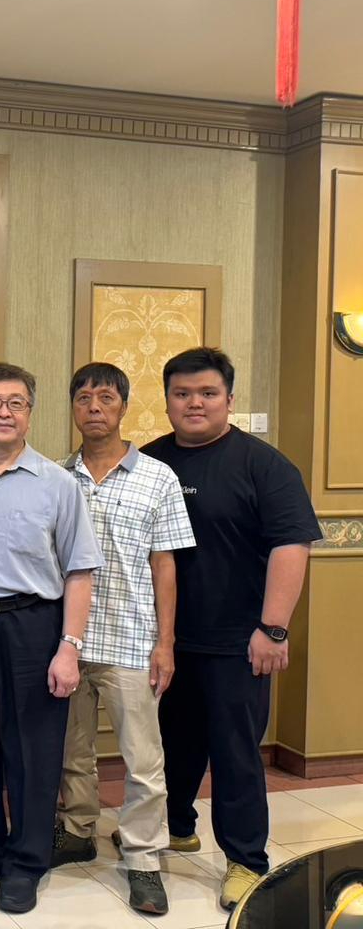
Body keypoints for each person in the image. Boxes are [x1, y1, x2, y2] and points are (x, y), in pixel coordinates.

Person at [142, 347, 320, 910]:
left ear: (229, 400)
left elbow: (291, 545)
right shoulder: (148, 462)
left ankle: (247, 860)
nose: (194, 403)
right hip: (165, 640)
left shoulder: (263, 465)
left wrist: (273, 629)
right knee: (172, 743)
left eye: (207, 393)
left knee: (236, 753)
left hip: (238, 642)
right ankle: (176, 825)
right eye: (182, 394)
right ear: (168, 400)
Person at [0, 361, 103, 915]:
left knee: (34, 750)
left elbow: (80, 571)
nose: (4, 412)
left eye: (15, 402)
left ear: (30, 412)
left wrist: (69, 647)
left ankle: (27, 860)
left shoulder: (59, 484)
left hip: (35, 625)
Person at [52, 362, 195, 915]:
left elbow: (166, 566)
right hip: (70, 643)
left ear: (124, 407)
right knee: (73, 750)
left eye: (105, 398)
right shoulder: (57, 476)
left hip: (134, 642)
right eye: (83, 397)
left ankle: (142, 859)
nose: (94, 407)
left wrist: (166, 642)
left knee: (142, 761)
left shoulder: (157, 477)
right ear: (72, 407)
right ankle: (77, 829)